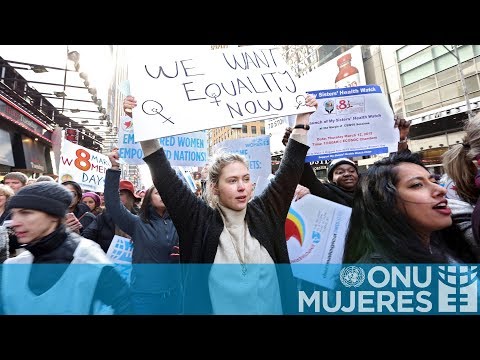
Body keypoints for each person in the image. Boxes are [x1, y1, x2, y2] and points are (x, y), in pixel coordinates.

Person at [123, 94, 317, 315]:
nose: (242, 187)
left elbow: (290, 169)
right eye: (232, 181)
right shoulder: (199, 222)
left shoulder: (266, 212)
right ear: (214, 187)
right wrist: (143, 123)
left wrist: (302, 119)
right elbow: (163, 175)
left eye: (245, 179)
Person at [0, 181, 132, 314]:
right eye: (14, 213)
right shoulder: (12, 266)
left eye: (26, 213)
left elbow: (126, 307)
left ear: (54, 216)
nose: (15, 222)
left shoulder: (91, 262)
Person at [342, 151, 480, 264]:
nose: (441, 190)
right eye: (417, 185)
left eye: (434, 181)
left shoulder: (449, 245)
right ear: (386, 201)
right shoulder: (374, 280)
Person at [103, 164, 182, 315]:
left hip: (174, 293)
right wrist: (113, 170)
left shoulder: (180, 223)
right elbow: (113, 204)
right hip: (144, 295)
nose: (163, 195)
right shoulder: (137, 223)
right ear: (149, 198)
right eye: (159, 193)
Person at [282, 116, 412, 207]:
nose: (347, 174)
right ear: (331, 179)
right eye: (339, 172)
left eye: (351, 170)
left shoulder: (373, 190)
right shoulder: (327, 194)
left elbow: (394, 169)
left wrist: (399, 139)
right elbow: (307, 177)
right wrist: (295, 146)